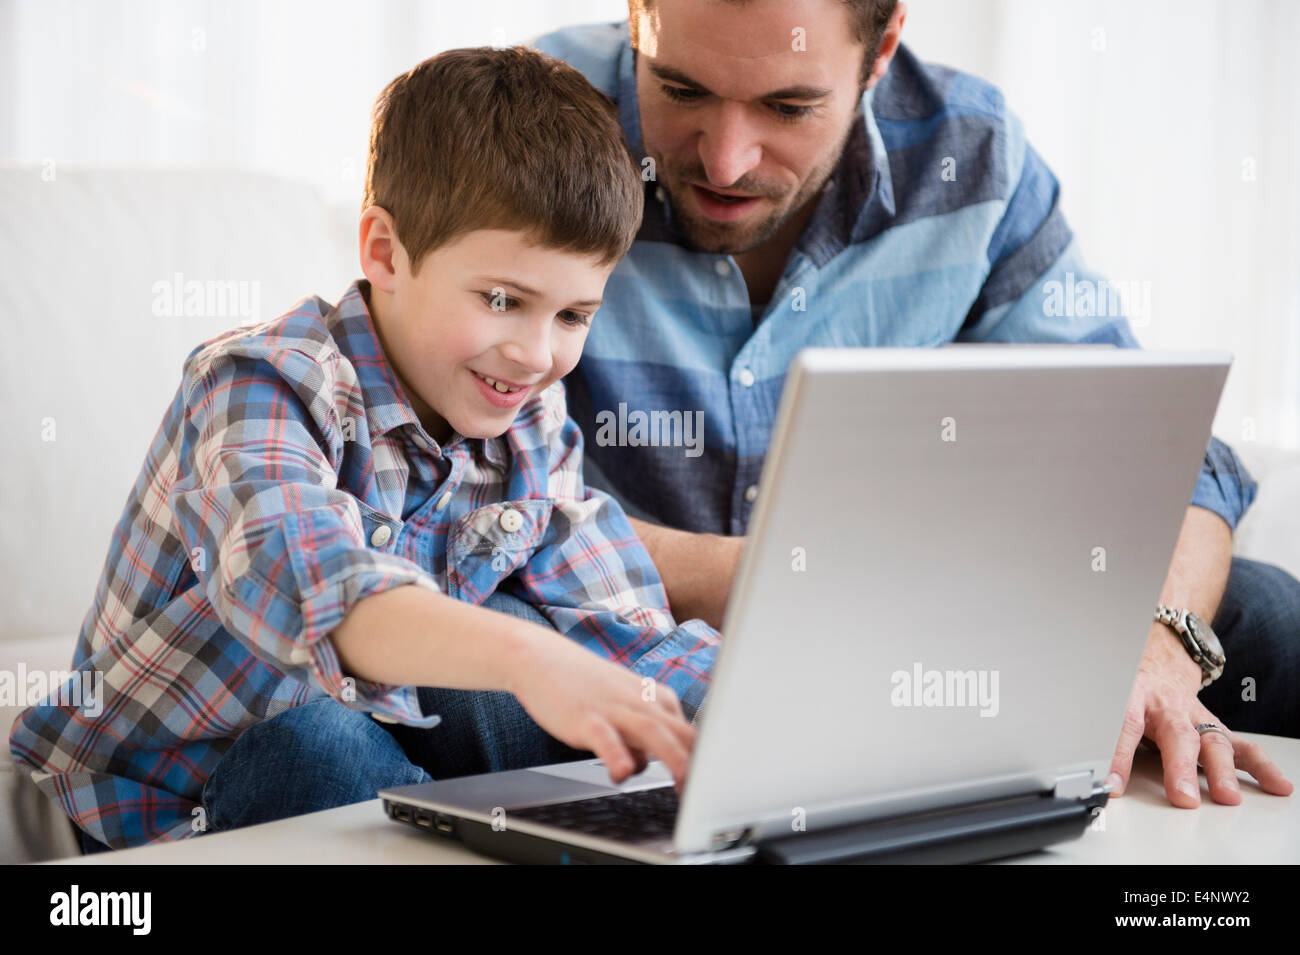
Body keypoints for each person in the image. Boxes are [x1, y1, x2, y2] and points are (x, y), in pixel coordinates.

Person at [531, 0, 1297, 809]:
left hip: (934, 631)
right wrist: (777, 580)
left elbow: (1165, 453)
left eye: (789, 107)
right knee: (462, 690)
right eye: (681, 90)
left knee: (1268, 614)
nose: (725, 162)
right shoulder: (531, 122)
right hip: (613, 627)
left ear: (882, 45)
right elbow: (450, 493)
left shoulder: (970, 153)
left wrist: (1160, 642)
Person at [8, 46, 717, 854]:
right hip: (174, 801)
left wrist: (761, 715)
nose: (534, 353)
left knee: (560, 665)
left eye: (572, 316)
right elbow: (315, 583)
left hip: (384, 735)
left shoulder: (526, 419)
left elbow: (622, 622)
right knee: (331, 739)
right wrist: (527, 657)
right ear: (384, 251)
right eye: (502, 300)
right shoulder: (260, 383)